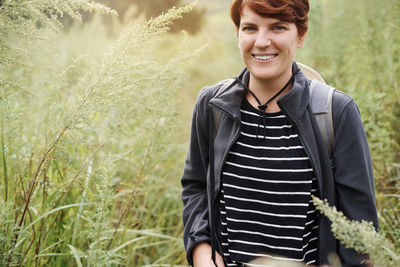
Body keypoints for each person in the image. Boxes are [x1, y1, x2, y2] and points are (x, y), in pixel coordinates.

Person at [181, 0, 379, 266]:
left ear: (301, 34)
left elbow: (359, 235)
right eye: (250, 28)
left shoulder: (336, 112)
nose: (262, 42)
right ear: (237, 34)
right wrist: (201, 250)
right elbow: (195, 189)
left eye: (278, 27)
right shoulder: (212, 105)